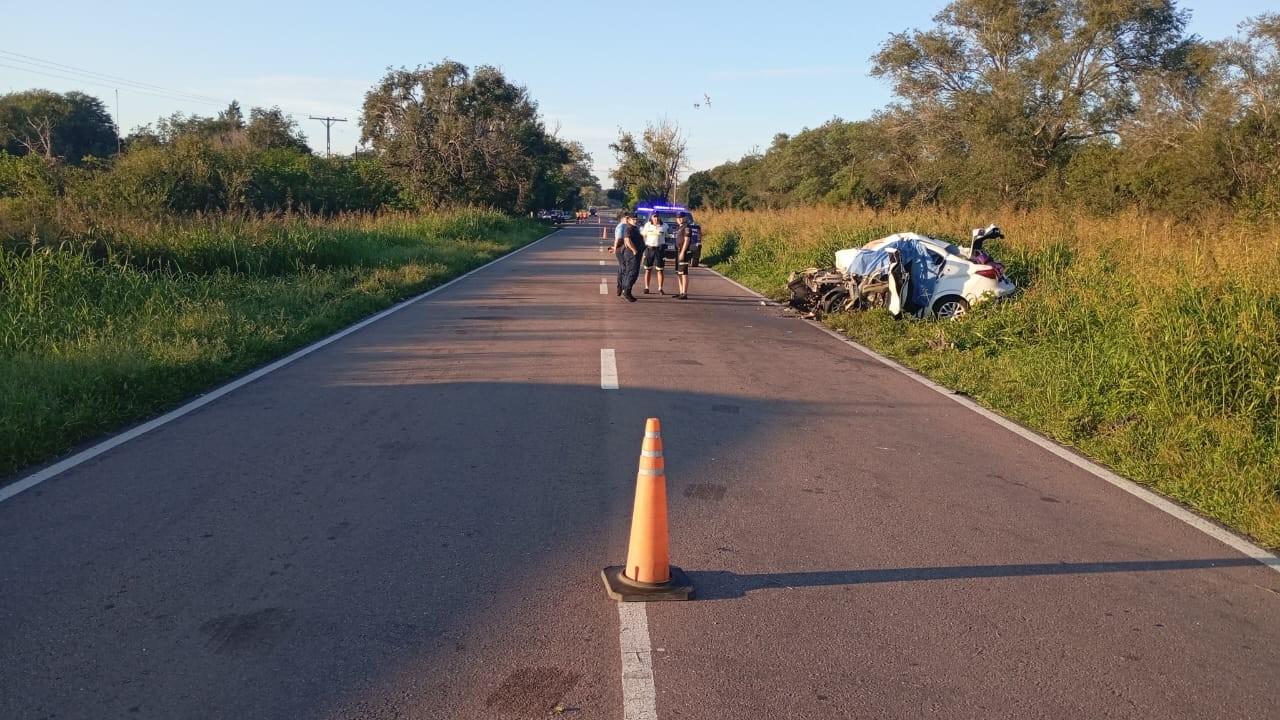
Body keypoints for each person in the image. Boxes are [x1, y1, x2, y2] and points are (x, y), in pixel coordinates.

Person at [639, 212, 667, 294]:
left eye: (657, 216)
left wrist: (662, 244)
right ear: (652, 217)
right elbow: (644, 235)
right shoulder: (647, 225)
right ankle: (646, 287)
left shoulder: (665, 226)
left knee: (660, 270)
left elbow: (667, 237)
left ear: (660, 217)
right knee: (648, 269)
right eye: (654, 217)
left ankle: (660, 288)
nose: (656, 218)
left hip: (659, 249)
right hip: (649, 249)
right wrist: (646, 243)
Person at [619, 215, 643, 301]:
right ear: (629, 220)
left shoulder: (635, 228)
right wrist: (634, 250)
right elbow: (627, 240)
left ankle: (626, 290)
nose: (635, 220)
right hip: (631, 254)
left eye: (636, 219)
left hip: (636, 254)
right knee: (632, 273)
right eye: (633, 219)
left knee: (633, 273)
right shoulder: (629, 228)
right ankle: (627, 291)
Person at [673, 212, 695, 299]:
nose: (680, 219)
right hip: (678, 251)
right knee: (679, 273)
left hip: (683, 252)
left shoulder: (687, 227)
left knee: (684, 272)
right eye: (678, 218)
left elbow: (687, 240)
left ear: (684, 218)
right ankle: (681, 291)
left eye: (681, 217)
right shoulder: (680, 227)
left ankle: (684, 293)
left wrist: (682, 252)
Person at [609, 213, 630, 296]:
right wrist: (614, 248)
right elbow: (618, 239)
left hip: (626, 249)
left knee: (624, 268)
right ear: (622, 219)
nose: (628, 220)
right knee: (623, 268)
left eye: (628, 218)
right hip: (620, 248)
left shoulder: (627, 226)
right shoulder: (621, 226)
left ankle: (622, 287)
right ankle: (620, 287)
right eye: (626, 218)